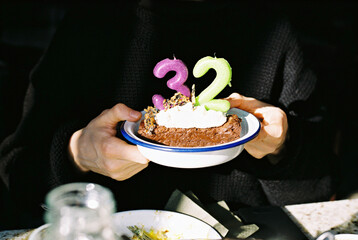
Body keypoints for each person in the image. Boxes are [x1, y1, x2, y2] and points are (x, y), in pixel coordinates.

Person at [0, 0, 338, 229]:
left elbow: (319, 201)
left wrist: (283, 149)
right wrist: (77, 154)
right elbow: (17, 175)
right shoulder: (91, 24)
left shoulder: (273, 29)